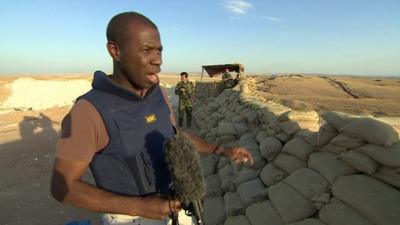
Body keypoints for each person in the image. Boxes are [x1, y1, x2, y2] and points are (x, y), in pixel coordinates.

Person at [50, 12, 254, 225]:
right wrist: (139, 207)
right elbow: (63, 186)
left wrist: (222, 150)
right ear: (115, 51)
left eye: (159, 50)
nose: (158, 60)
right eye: (146, 50)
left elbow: (175, 136)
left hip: (176, 208)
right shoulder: (88, 110)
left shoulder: (159, 95)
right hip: (132, 218)